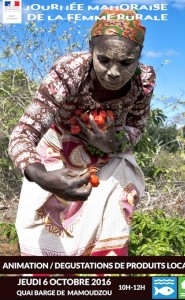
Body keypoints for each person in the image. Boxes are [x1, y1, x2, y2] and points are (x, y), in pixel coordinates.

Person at [8, 8, 155, 257]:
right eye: (104, 60)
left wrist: (113, 143)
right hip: (56, 153)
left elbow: (137, 127)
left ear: (138, 56)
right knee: (44, 233)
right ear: (91, 50)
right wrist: (41, 176)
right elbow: (23, 134)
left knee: (109, 233)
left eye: (126, 62)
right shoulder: (68, 72)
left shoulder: (144, 81)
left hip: (108, 161)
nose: (114, 72)